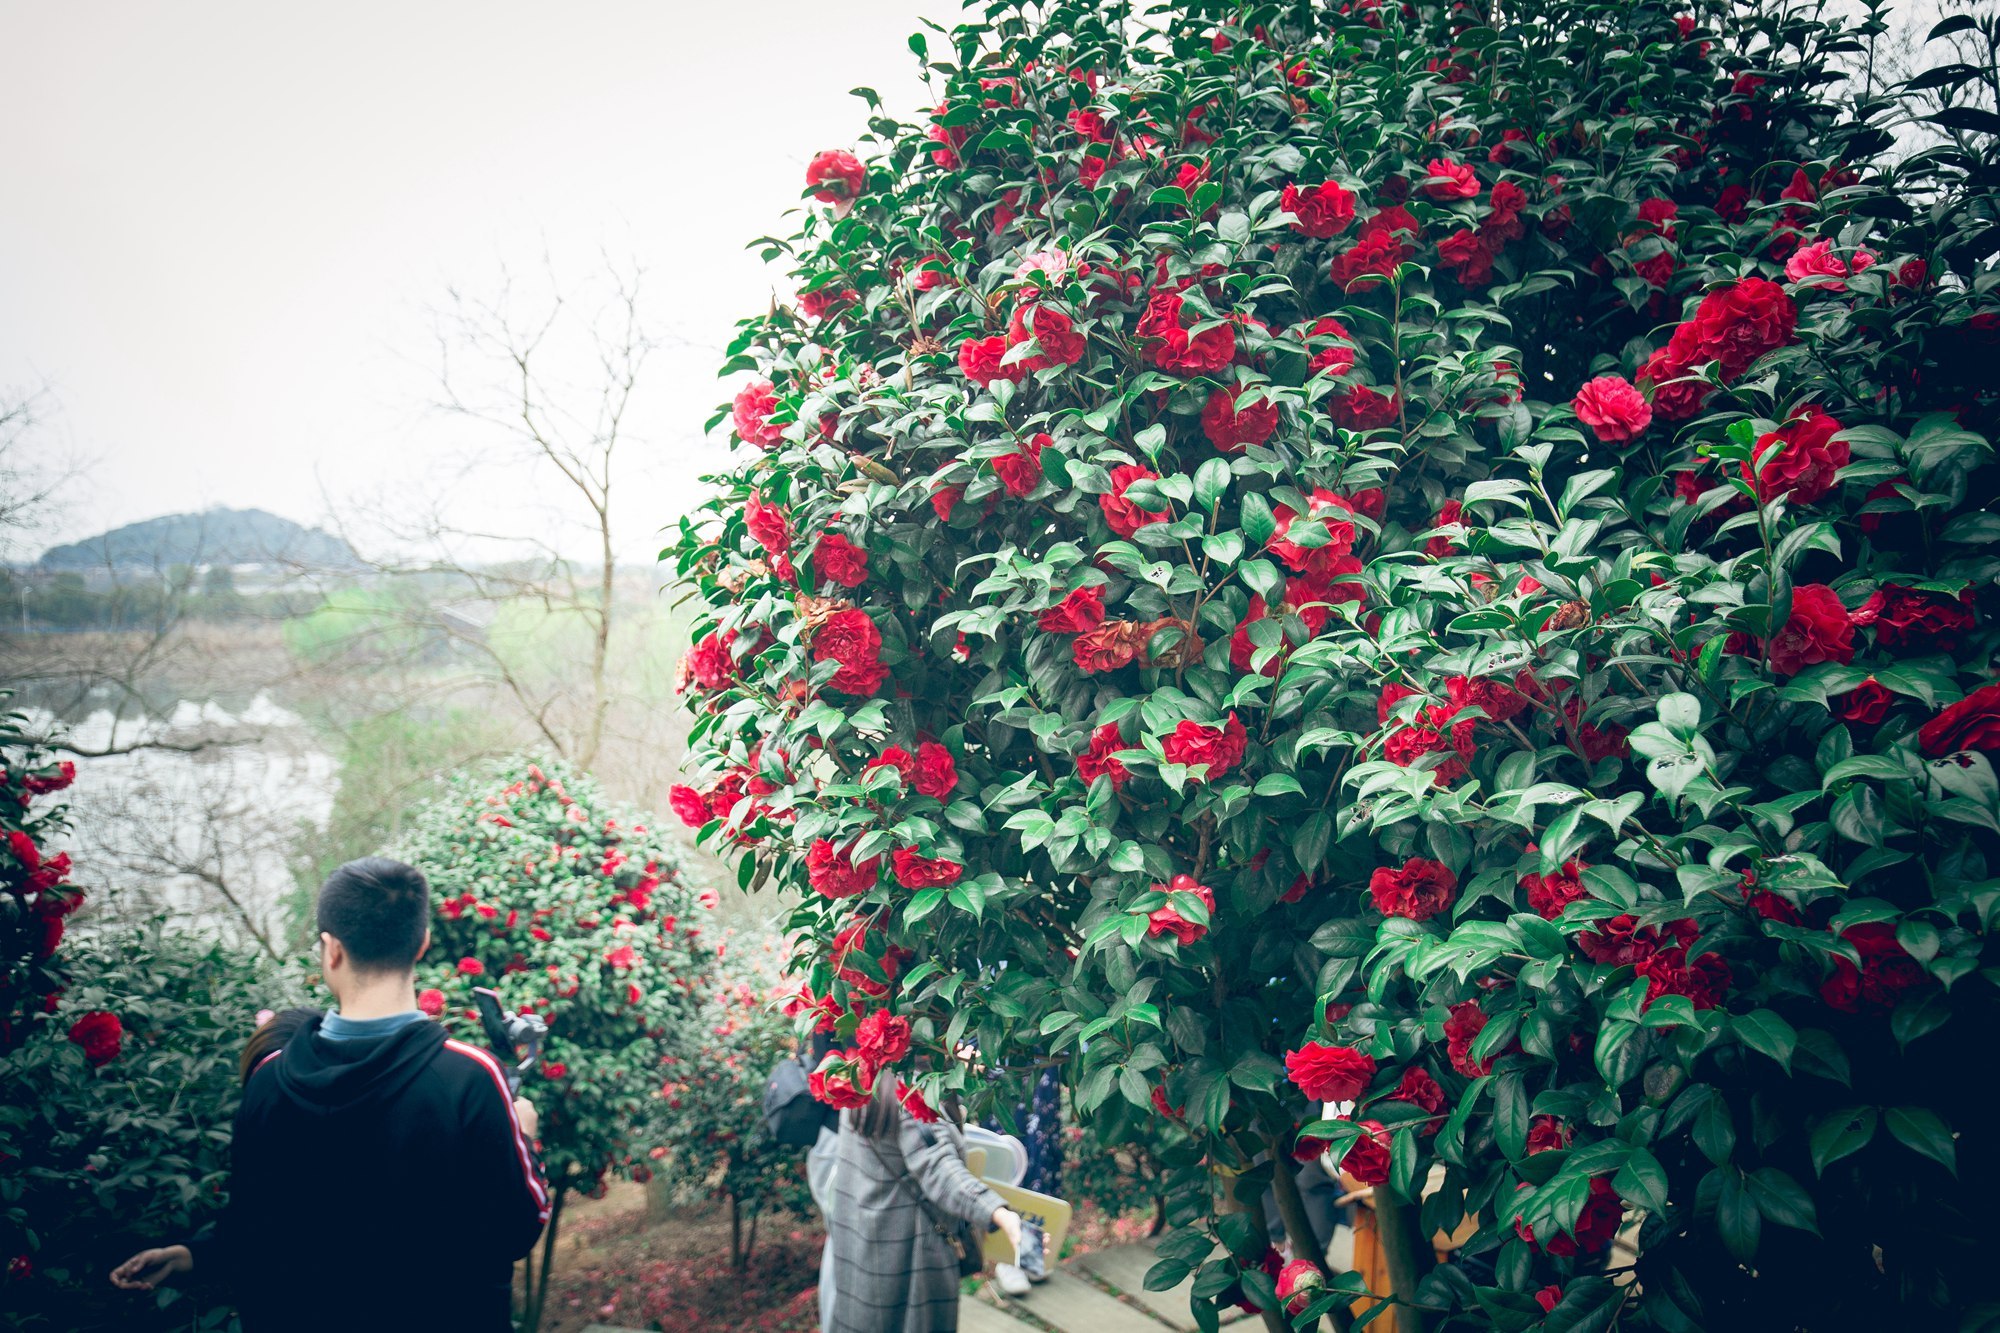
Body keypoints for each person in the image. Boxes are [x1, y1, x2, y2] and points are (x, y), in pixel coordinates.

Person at [109, 857, 550, 1331]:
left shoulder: (270, 1078)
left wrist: (190, 1255)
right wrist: (524, 1137)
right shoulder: (468, 1075)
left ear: (331, 949)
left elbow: (259, 1230)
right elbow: (513, 1229)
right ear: (420, 943)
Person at [822, 1073, 1023, 1333]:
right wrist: (997, 1211)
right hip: (910, 1254)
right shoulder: (912, 1094)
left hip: (865, 1245)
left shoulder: (860, 1075)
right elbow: (939, 1165)